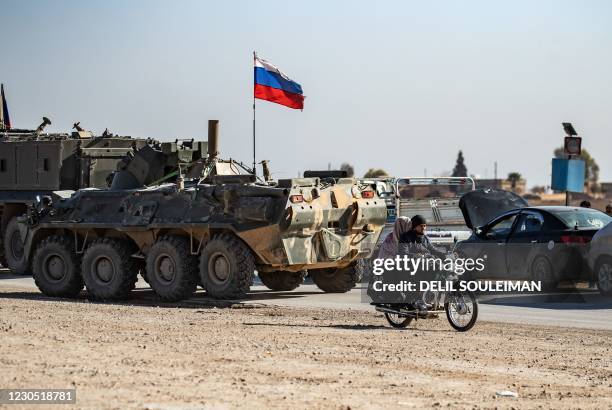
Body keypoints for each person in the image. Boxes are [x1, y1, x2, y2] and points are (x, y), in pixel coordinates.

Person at [398, 214, 447, 313]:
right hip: (411, 267)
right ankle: (417, 299)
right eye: (421, 226)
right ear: (415, 226)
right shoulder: (406, 237)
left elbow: (433, 249)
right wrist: (416, 256)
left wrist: (445, 255)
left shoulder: (425, 238)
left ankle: (434, 300)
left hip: (425, 264)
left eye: (425, 225)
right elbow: (403, 254)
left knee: (441, 273)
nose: (423, 228)